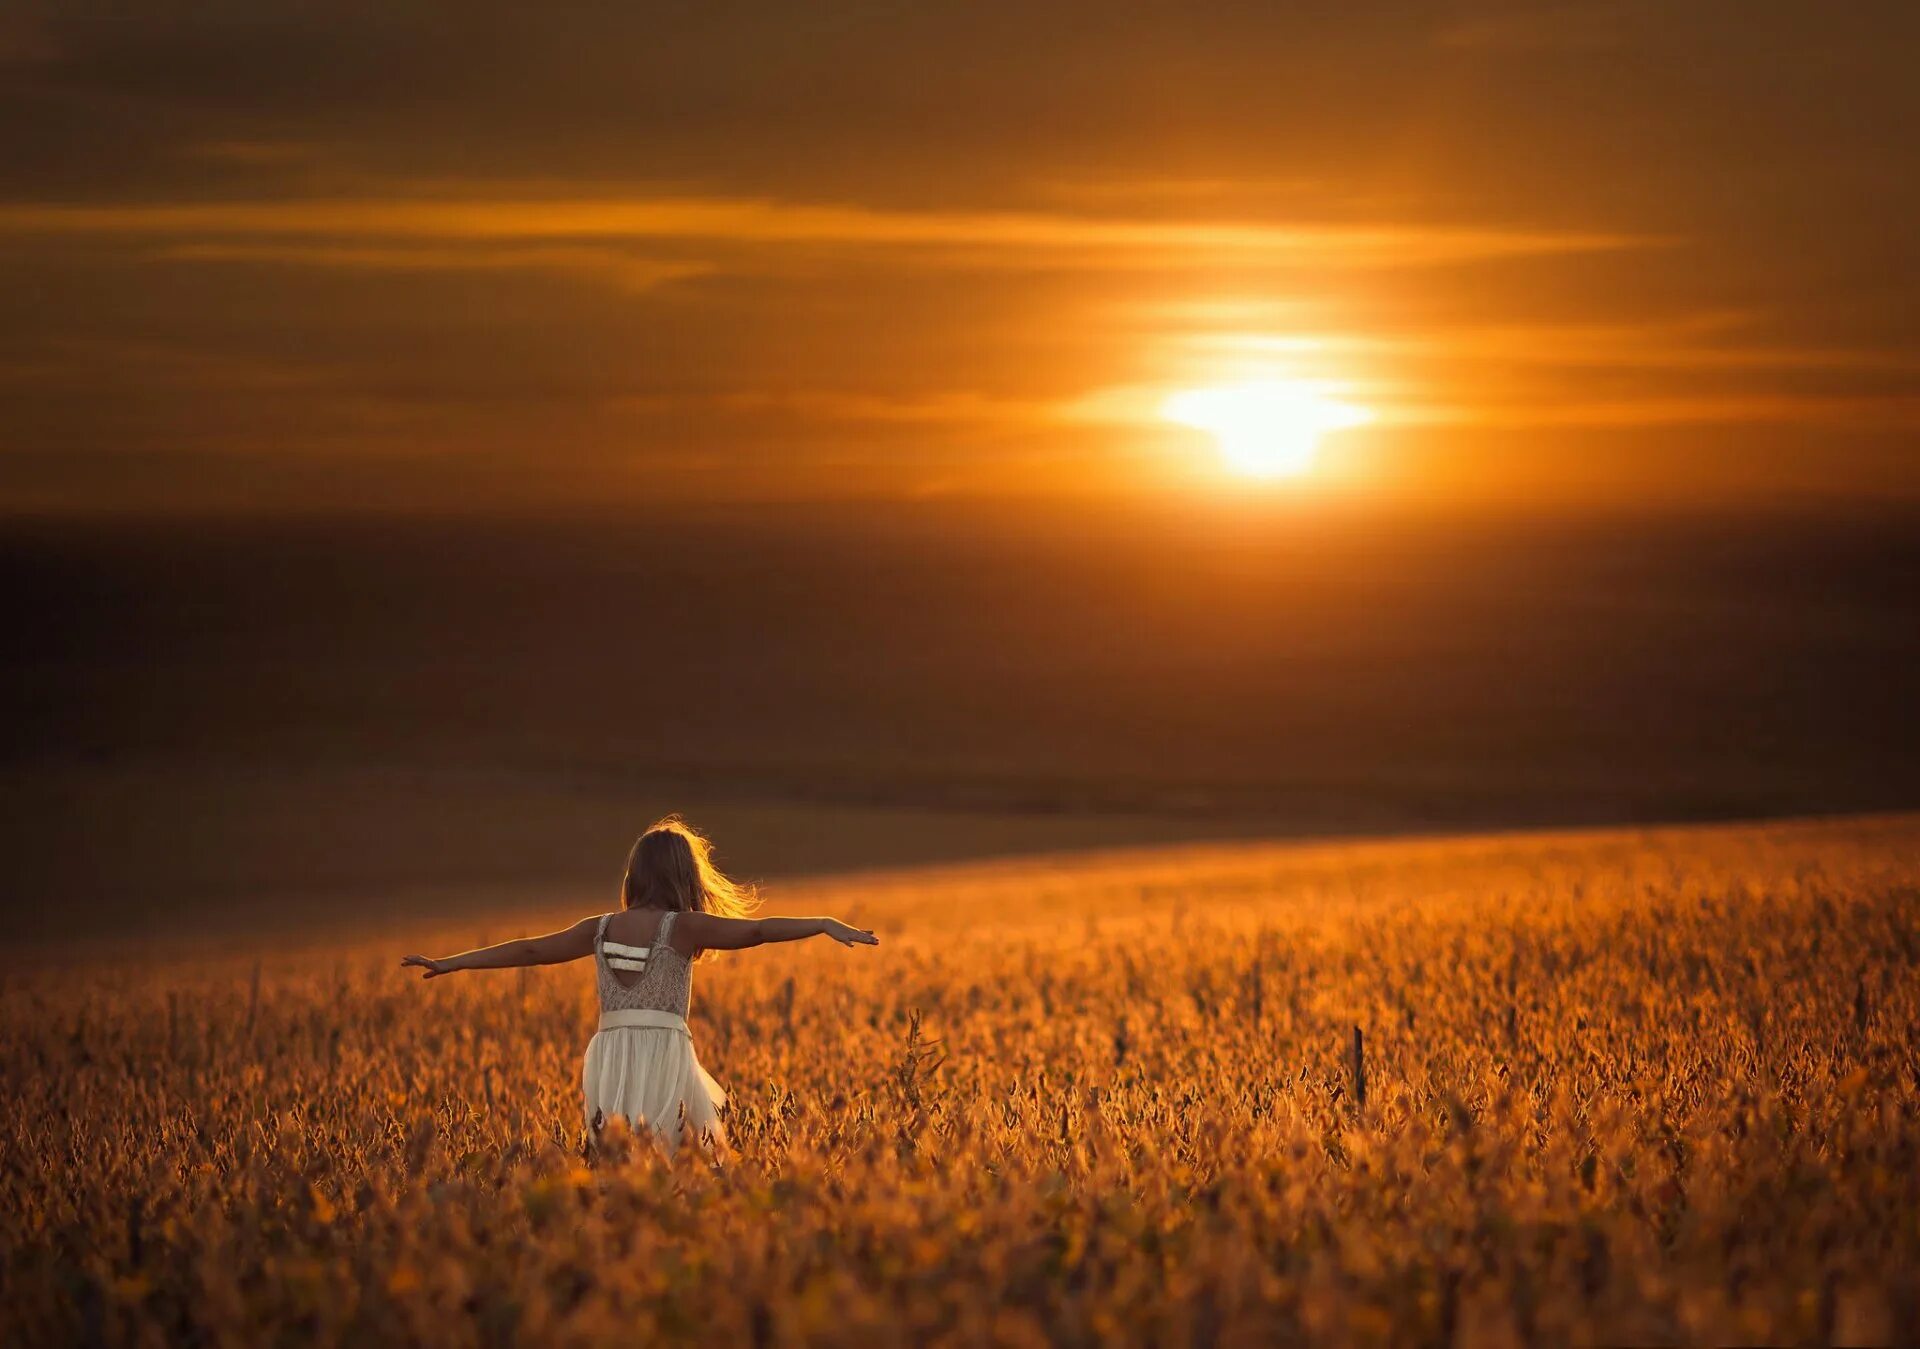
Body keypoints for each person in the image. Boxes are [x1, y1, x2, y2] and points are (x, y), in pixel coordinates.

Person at [400, 815, 878, 1153]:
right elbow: (756, 930)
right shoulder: (683, 926)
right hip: (666, 1053)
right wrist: (821, 922)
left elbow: (529, 951)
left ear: (635, 875)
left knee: (615, 1155)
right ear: (686, 875)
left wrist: (452, 963)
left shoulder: (600, 927)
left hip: (610, 1054)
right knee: (676, 1154)